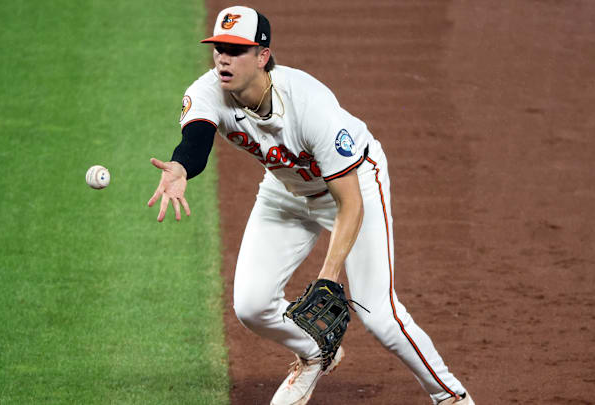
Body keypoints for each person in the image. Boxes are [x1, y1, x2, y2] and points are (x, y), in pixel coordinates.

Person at [147, 6, 474, 405]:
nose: (223, 59)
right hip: (284, 190)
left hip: (354, 185)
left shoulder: (310, 103)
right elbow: (196, 141)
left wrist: (329, 275)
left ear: (262, 56)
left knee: (380, 317)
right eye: (219, 48)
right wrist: (180, 167)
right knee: (251, 306)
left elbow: (350, 203)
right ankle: (318, 350)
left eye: (236, 50)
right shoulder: (206, 91)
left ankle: (451, 396)